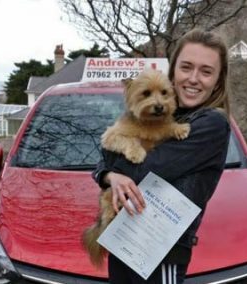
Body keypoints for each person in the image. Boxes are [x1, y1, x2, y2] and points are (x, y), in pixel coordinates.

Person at [93, 28, 231, 284]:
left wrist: (113, 168)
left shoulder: (210, 124)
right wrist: (109, 175)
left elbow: (142, 169)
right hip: (125, 241)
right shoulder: (168, 114)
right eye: (186, 67)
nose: (193, 78)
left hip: (159, 253)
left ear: (218, 80)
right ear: (173, 72)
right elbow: (105, 154)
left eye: (206, 71)